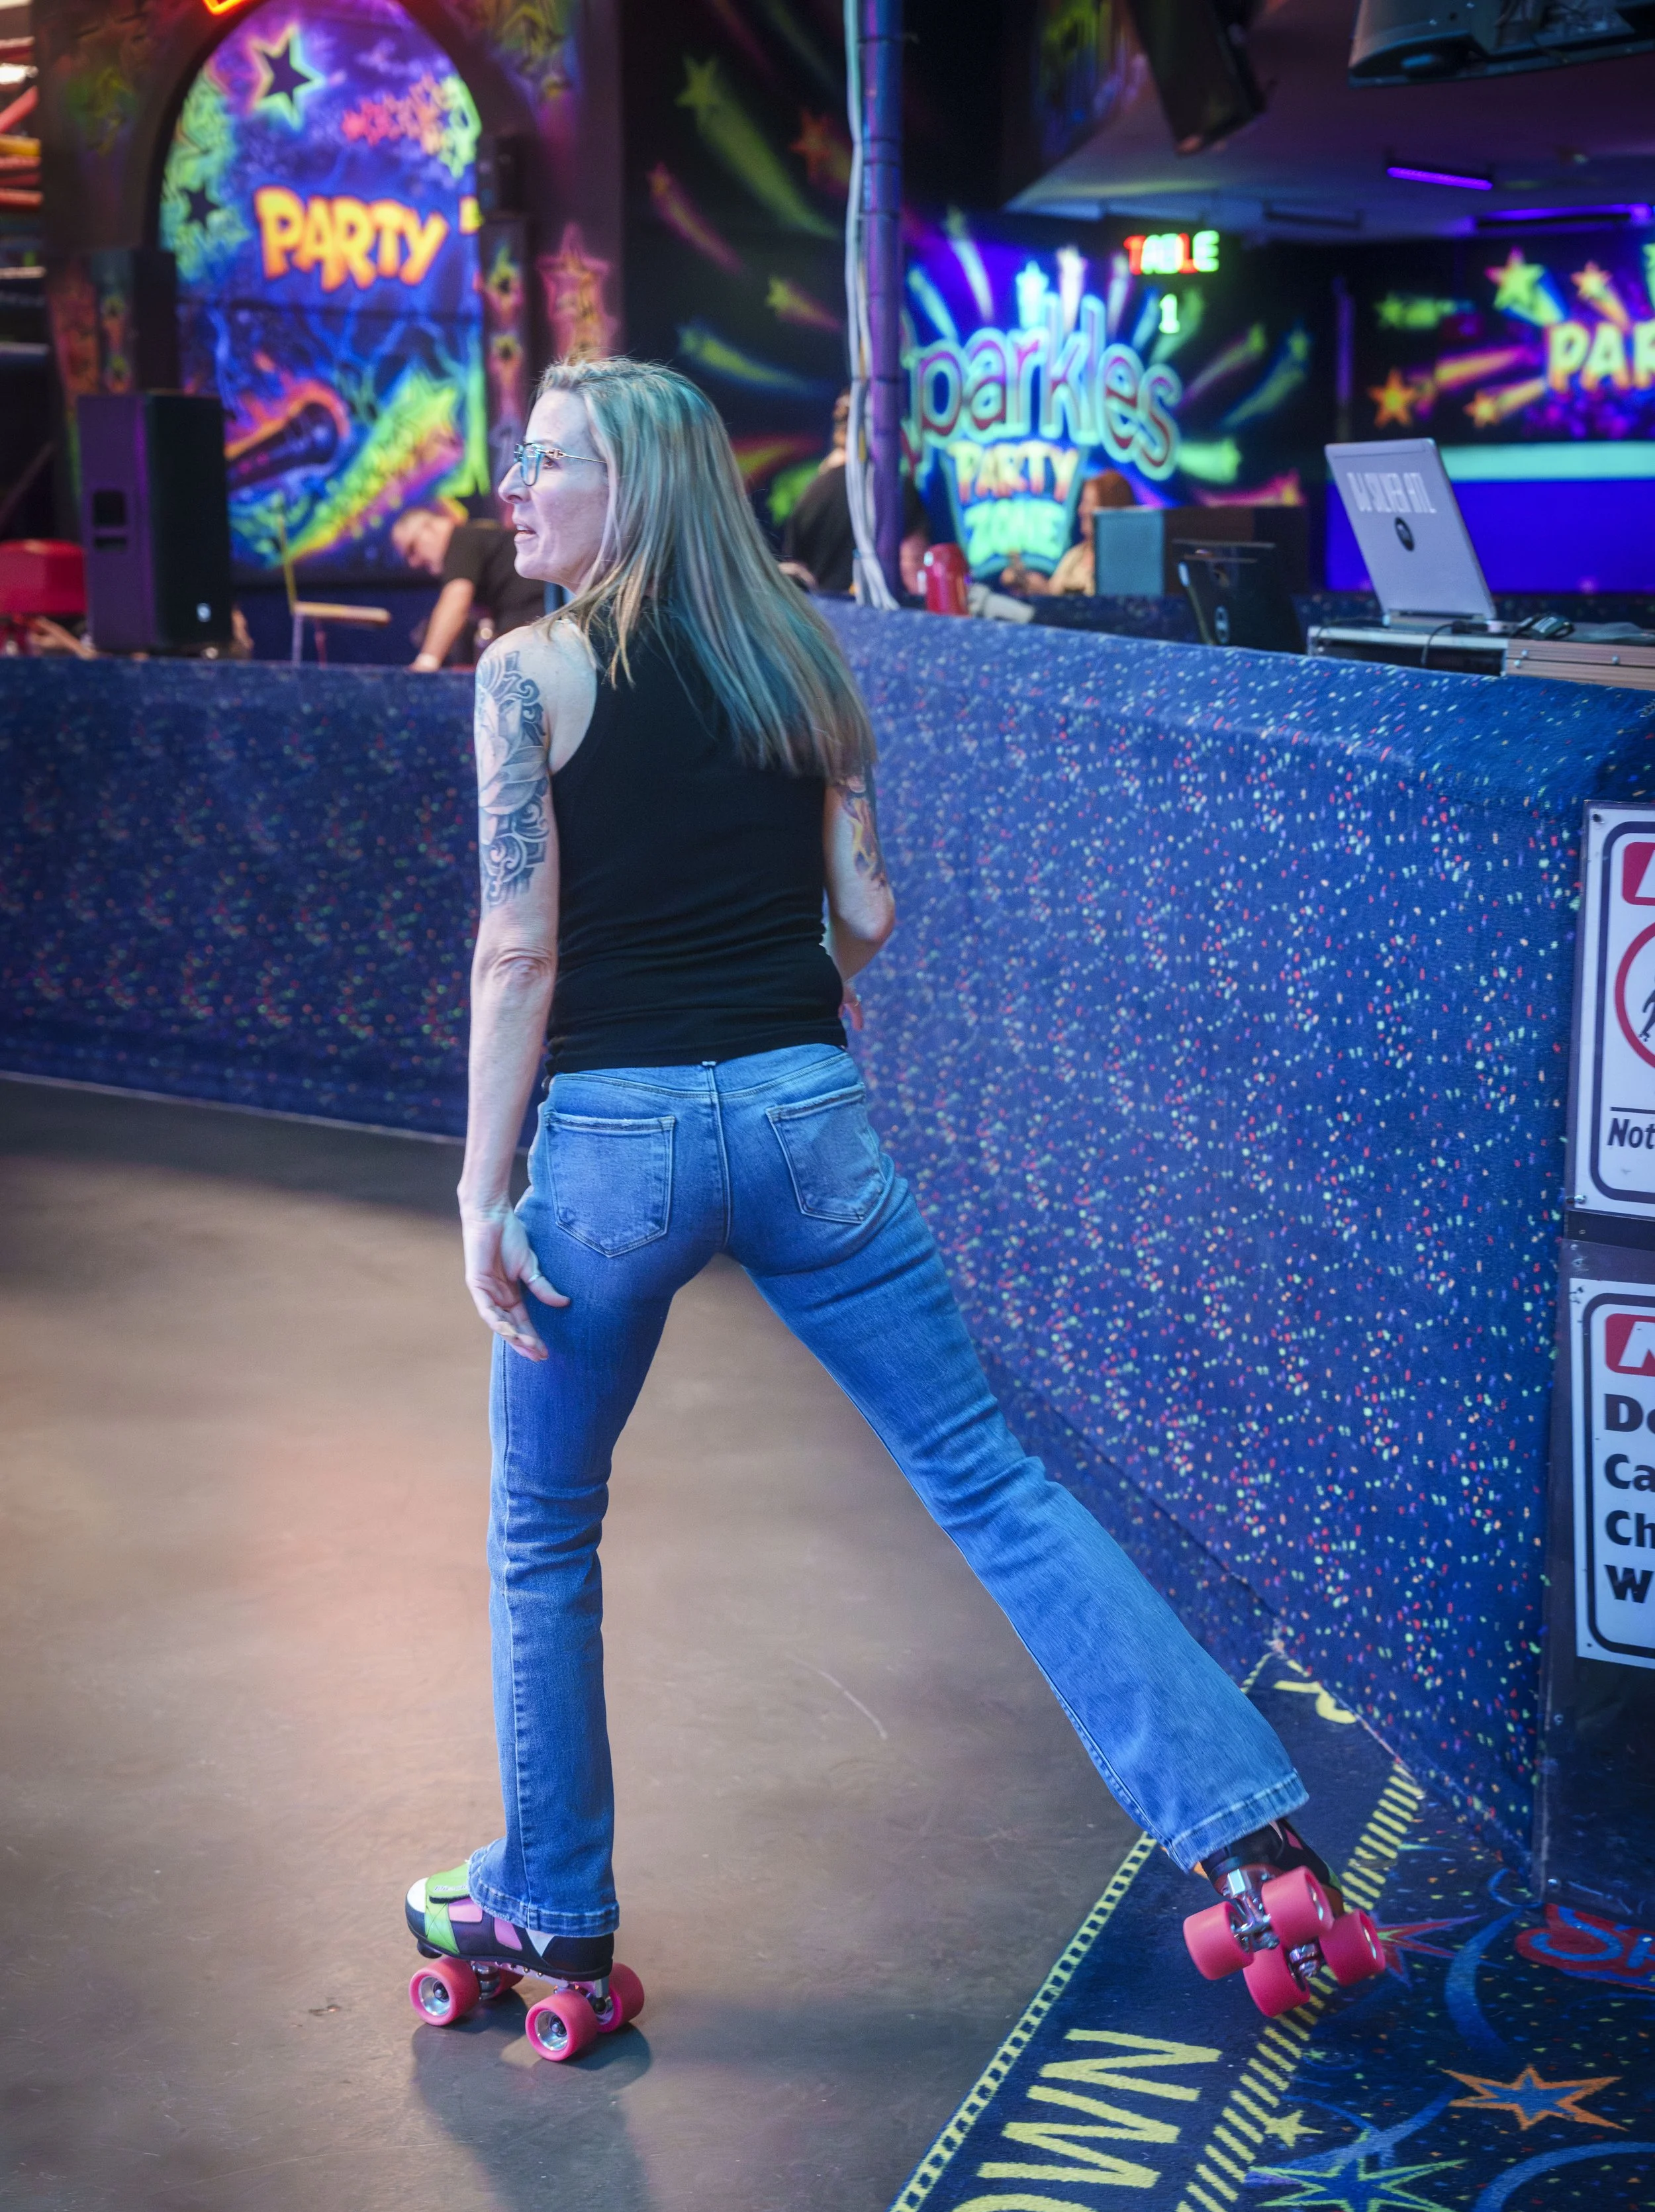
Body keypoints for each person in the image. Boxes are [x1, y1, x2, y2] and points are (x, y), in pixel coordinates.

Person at [402, 357, 1372, 2058]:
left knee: (544, 1528)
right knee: (990, 1477)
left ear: (630, 485)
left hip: (613, 1147)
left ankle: (548, 1898)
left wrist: (484, 1187)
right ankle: (1245, 1829)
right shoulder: (804, 661)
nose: (516, 492)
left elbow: (515, 950)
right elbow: (866, 911)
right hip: (808, 1122)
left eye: (546, 463)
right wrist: (781, 1010)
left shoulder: (525, 673)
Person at [781, 390, 928, 597]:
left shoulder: (811, 493)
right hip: (881, 616)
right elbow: (913, 567)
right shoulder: (895, 487)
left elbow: (796, 572)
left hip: (826, 618)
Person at [392, 504, 547, 672]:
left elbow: (457, 597)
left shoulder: (460, 539)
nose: (413, 563)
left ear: (430, 528)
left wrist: (427, 661)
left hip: (534, 630)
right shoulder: (479, 540)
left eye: (412, 549)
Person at [1002, 467, 1136, 599]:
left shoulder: (1127, 565)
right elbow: (1056, 601)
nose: (1082, 510)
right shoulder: (1075, 556)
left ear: (1109, 508)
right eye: (1083, 502)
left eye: (1089, 503)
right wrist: (1030, 583)